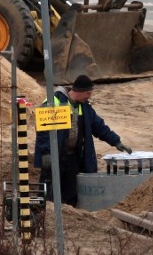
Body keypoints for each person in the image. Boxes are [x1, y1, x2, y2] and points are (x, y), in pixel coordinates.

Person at [34, 74, 132, 207]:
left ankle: (70, 217)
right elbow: (43, 131)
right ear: (79, 91)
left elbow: (98, 126)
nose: (89, 96)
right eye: (88, 93)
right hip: (55, 157)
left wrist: (116, 141)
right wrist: (46, 153)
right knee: (49, 190)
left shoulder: (84, 106)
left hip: (73, 157)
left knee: (71, 193)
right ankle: (45, 216)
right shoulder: (55, 101)